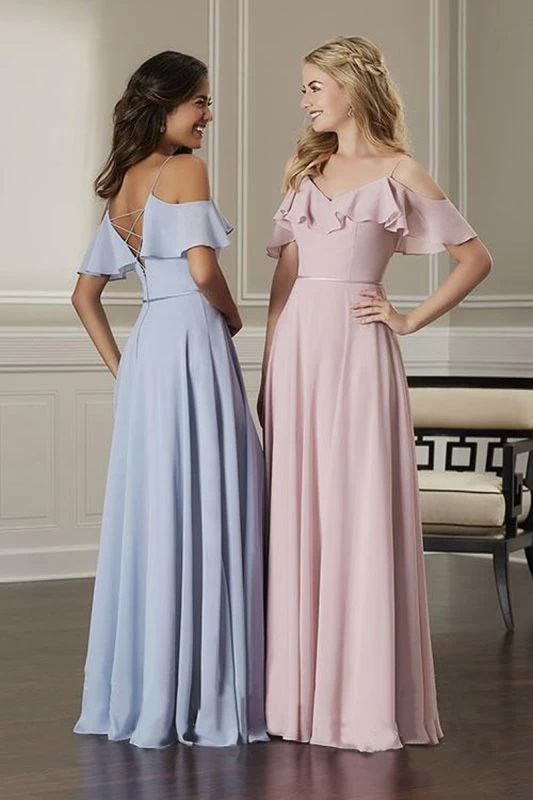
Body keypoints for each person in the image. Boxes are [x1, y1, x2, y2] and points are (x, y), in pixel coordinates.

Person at [259, 35, 492, 752]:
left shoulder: (399, 171)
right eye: (304, 87)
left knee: (356, 510)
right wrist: (267, 373)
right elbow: (283, 283)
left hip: (360, 355)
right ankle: (297, 704)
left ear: (351, 87)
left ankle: (358, 704)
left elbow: (474, 258)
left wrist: (409, 318)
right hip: (298, 356)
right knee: (300, 513)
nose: (304, 100)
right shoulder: (306, 171)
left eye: (313, 86)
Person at [71, 51, 268, 748]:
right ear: (165, 105)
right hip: (192, 338)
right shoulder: (185, 170)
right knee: (213, 496)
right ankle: (209, 692)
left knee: (159, 510)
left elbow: (83, 296)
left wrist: (123, 371)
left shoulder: (125, 183)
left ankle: (151, 690)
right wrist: (234, 316)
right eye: (200, 102)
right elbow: (203, 270)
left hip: (151, 350)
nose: (209, 114)